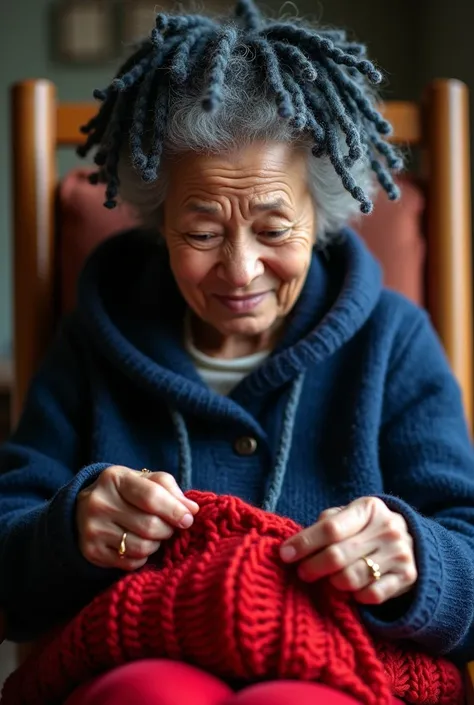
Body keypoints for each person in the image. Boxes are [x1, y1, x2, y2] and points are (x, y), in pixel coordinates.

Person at [1, 1, 474, 703]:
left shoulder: (393, 338)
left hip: (339, 663)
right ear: (159, 220)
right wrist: (71, 528)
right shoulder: (94, 339)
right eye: (200, 233)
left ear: (323, 214)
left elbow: (466, 547)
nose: (240, 270)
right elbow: (11, 555)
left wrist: (414, 556)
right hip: (138, 654)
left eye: (274, 228)